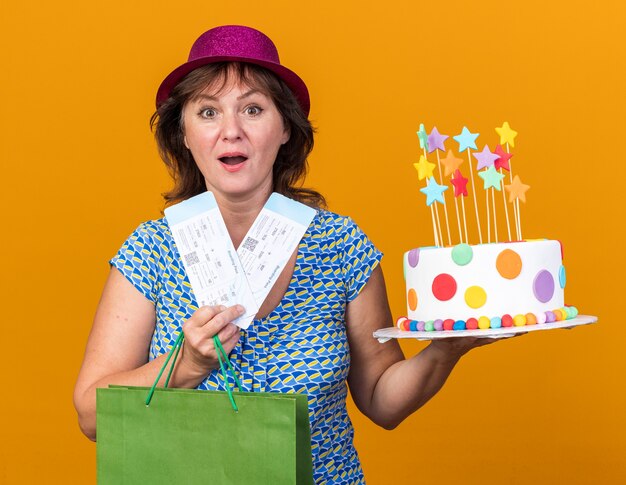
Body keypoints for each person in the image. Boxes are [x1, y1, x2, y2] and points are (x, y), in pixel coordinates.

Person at [74, 25, 498, 484]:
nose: (231, 132)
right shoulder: (151, 250)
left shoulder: (339, 246)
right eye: (208, 112)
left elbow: (381, 400)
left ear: (284, 130)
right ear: (184, 134)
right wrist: (187, 366)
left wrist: (445, 350)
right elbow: (92, 417)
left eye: (253, 109)